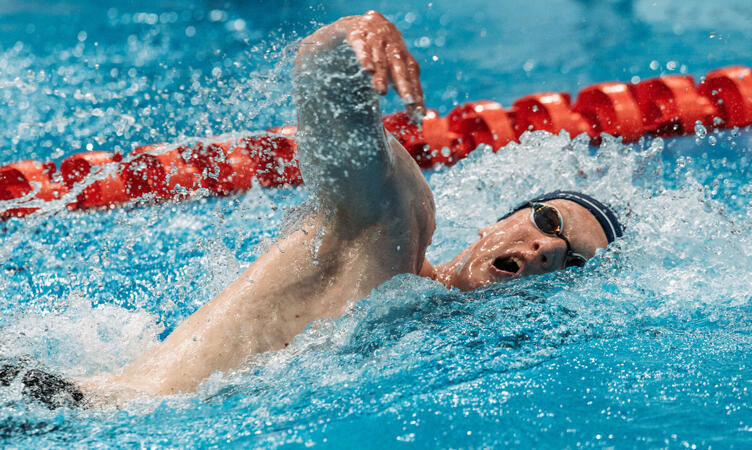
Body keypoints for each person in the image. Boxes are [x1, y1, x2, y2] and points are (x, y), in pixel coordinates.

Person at [2, 11, 621, 409]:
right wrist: (347, 41)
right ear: (499, 223)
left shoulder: (431, 330)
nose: (547, 249)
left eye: (571, 262)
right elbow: (335, 115)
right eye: (547, 222)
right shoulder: (393, 231)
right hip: (56, 413)